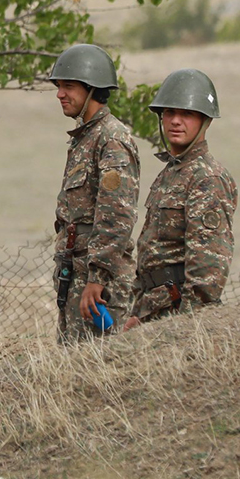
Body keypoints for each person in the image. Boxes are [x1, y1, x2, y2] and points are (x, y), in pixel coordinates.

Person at [124, 69, 237, 330]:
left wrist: (186, 327)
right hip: (154, 308)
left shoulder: (207, 178)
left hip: (179, 315)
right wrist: (139, 312)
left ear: (205, 121)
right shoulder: (172, 173)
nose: (176, 121)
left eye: (187, 114)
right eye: (169, 112)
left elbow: (208, 268)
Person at [49, 44, 139, 344]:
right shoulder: (86, 137)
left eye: (69, 86)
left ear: (92, 89)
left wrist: (97, 278)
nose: (60, 94)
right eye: (59, 86)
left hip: (98, 285)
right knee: (73, 362)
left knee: (102, 362)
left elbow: (117, 215)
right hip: (77, 275)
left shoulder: (111, 139)